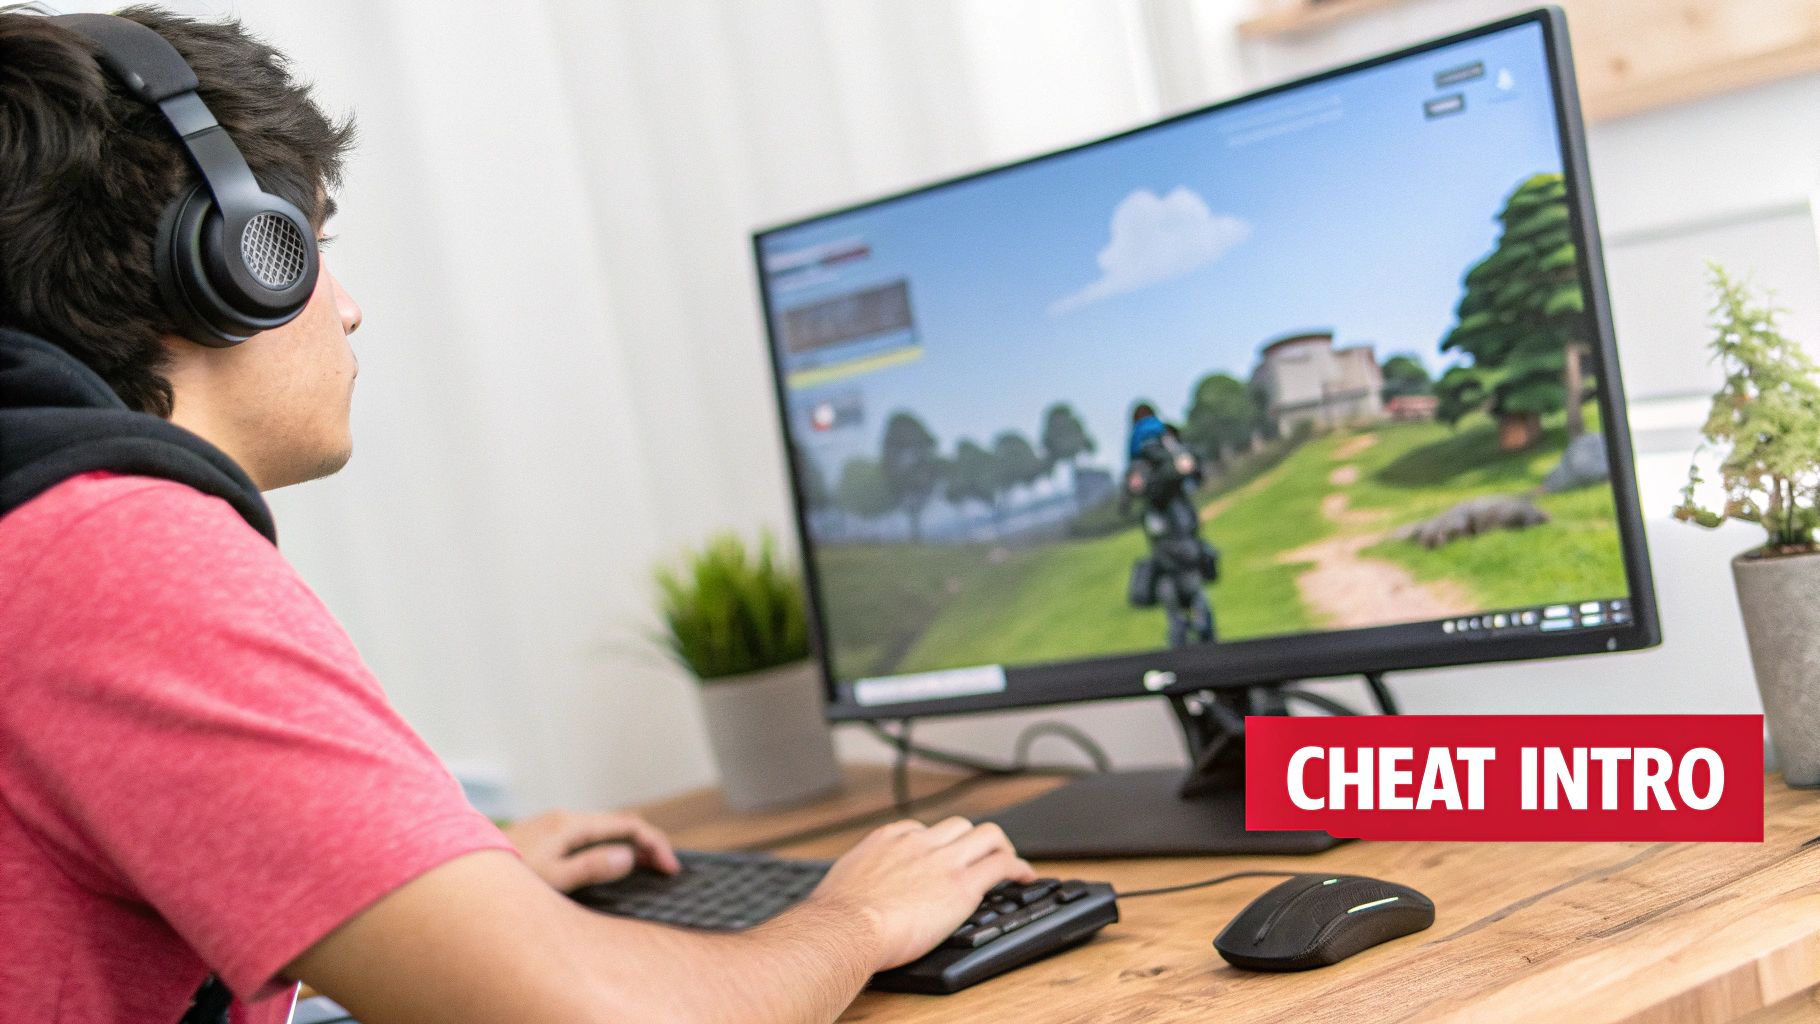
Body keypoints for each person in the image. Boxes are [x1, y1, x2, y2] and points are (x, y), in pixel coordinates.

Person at [0, 8, 1033, 1024]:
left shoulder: (36, 530)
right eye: (312, 244)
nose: (348, 306)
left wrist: (427, 892)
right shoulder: (107, 551)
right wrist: (855, 916)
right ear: (235, 261)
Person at [1122, 404, 1218, 647]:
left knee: (1180, 609)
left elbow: (1130, 498)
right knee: (1192, 601)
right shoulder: (1171, 451)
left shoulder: (1142, 461)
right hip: (1179, 541)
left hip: (1169, 543)